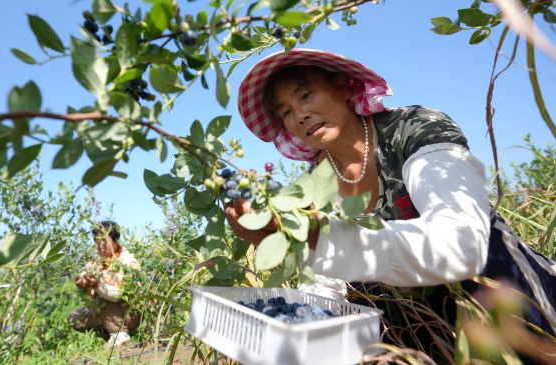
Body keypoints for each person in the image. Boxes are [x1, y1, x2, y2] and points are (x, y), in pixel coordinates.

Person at [226, 49, 555, 362]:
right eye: (285, 111)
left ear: (342, 84)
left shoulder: (414, 129)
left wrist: (321, 237)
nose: (300, 115)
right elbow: (327, 286)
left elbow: (463, 242)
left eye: (305, 95)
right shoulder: (313, 188)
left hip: (502, 298)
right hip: (419, 328)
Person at [68, 221, 142, 348]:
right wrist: (81, 281)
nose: (100, 245)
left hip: (130, 314)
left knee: (104, 295)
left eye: (104, 240)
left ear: (114, 240)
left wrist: (97, 285)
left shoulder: (127, 260)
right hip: (106, 313)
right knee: (75, 318)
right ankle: (105, 332)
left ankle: (120, 334)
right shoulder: (99, 261)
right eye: (97, 240)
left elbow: (118, 294)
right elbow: (85, 273)